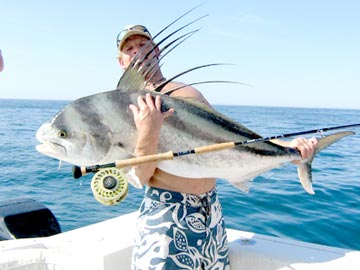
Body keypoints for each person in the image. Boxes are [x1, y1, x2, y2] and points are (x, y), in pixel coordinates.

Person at [116, 25, 318, 270]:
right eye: (129, 48)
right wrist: (148, 129)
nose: (137, 52)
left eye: (143, 44)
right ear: (121, 61)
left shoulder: (188, 93)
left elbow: (233, 135)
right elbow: (140, 177)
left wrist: (288, 147)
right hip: (168, 216)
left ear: (156, 50)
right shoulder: (126, 108)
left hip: (210, 210)